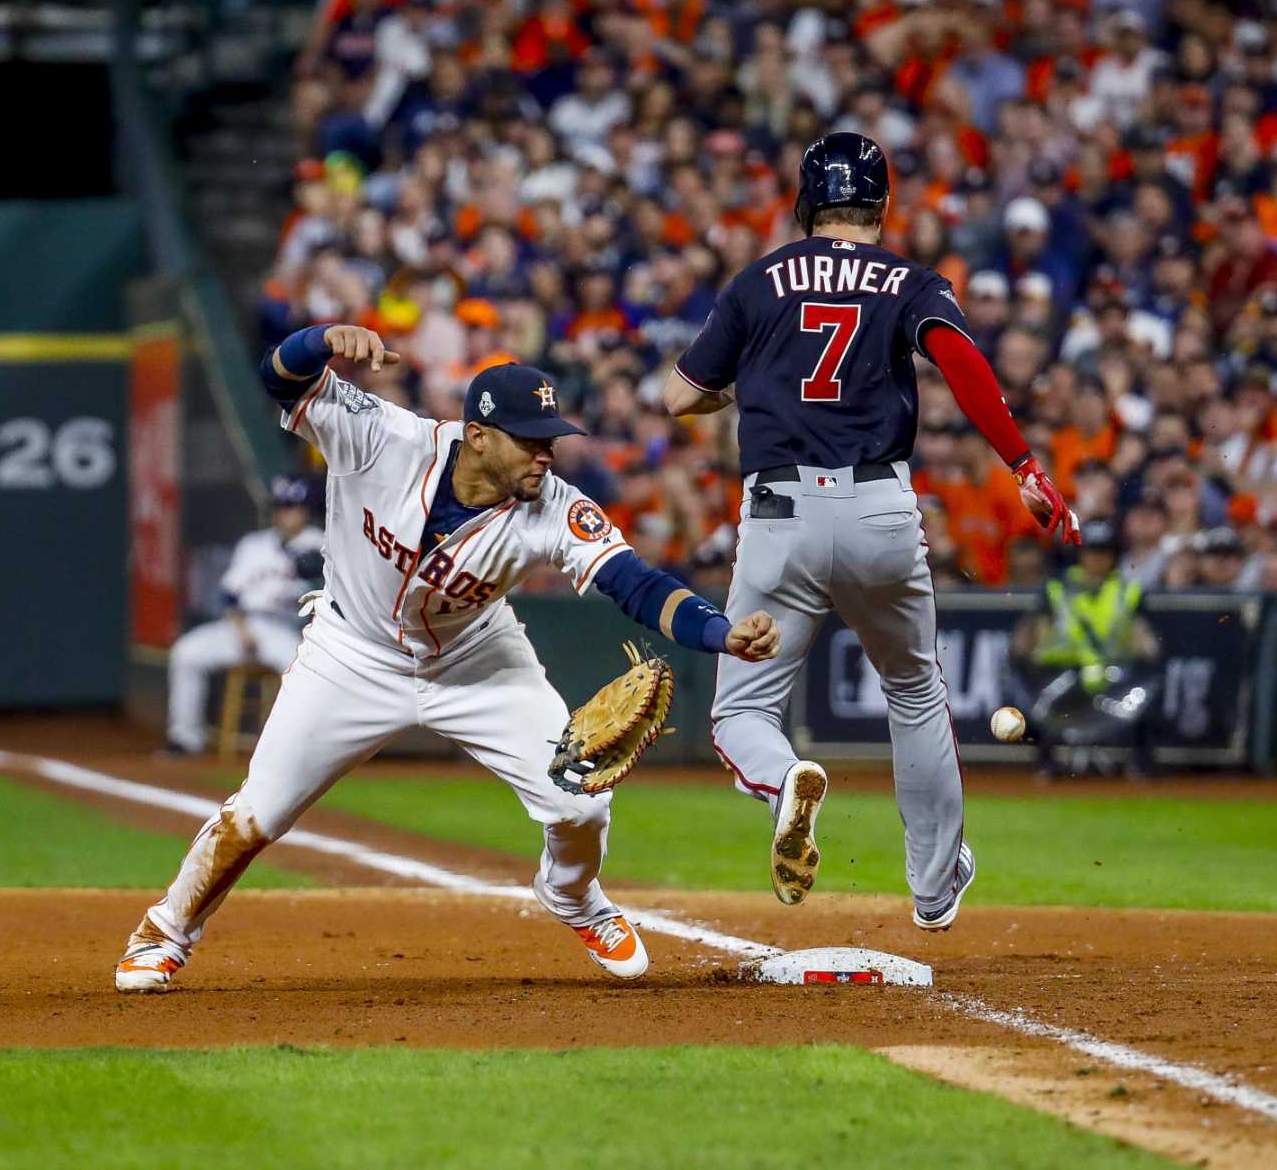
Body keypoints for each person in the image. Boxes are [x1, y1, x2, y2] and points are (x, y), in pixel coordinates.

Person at [116, 331, 781, 992]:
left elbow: (636, 583)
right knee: (258, 812)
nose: (546, 454)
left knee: (579, 803)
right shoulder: (383, 438)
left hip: (477, 658)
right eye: (531, 439)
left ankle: (572, 894)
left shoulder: (556, 508)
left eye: (551, 439)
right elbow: (278, 379)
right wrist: (318, 340)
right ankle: (163, 931)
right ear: (480, 436)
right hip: (350, 653)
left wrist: (720, 632)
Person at [663, 131, 1076, 930]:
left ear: (804, 203)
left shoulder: (759, 280)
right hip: (882, 509)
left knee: (741, 713)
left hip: (779, 512)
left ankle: (785, 781)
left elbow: (680, 396)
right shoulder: (908, 280)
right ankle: (932, 885)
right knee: (914, 690)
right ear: (883, 205)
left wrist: (738, 391)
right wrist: (1023, 463)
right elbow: (958, 356)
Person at [160, 475, 325, 758]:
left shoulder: (321, 543)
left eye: (292, 507)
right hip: (243, 625)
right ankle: (185, 738)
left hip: (284, 628)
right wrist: (241, 628)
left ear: (307, 510)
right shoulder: (254, 544)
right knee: (186, 653)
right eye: (281, 507)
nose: (284, 514)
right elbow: (229, 595)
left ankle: (299, 749)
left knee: (300, 671)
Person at [1009, 518, 1163, 777]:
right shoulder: (1057, 588)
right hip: (1065, 673)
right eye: (1091, 551)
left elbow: (1144, 640)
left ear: (1113, 555)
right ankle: (1048, 763)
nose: (1097, 559)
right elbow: (1034, 636)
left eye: (1103, 552)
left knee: (1147, 692)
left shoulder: (1128, 591)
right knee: (1036, 698)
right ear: (1080, 554)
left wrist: (1144, 653)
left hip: (1113, 672)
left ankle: (1140, 764)